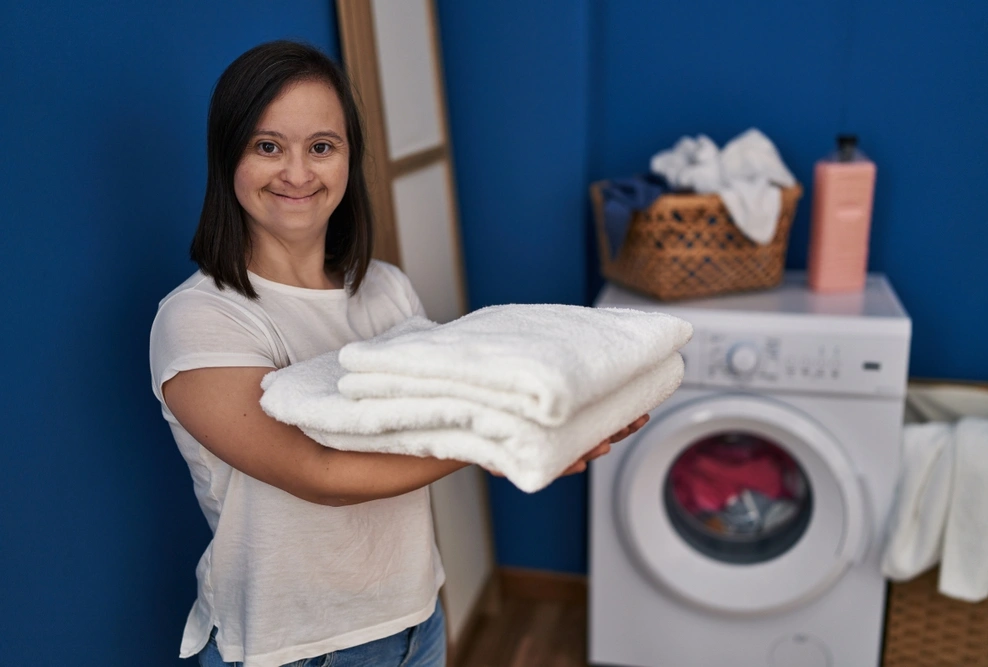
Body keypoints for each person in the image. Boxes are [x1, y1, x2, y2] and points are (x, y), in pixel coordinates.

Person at [149, 40, 648, 667]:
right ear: (228, 158)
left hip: (416, 621)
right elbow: (321, 475)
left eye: (322, 147)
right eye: (267, 146)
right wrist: (493, 440)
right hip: (295, 648)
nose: (298, 173)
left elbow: (427, 419)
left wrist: (542, 420)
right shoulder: (201, 318)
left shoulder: (385, 287)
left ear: (349, 159)